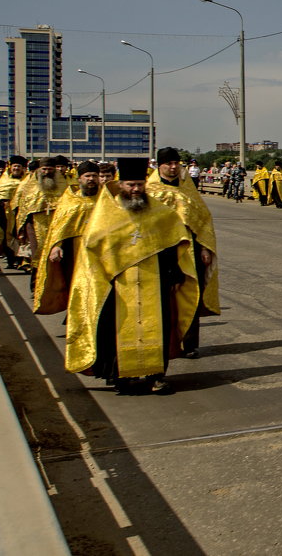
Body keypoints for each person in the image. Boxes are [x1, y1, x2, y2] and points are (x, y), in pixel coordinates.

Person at [63, 157, 200, 395]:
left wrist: (173, 272)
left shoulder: (159, 212)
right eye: (130, 185)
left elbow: (176, 240)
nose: (136, 190)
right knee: (115, 329)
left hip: (154, 282)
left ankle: (156, 376)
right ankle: (121, 376)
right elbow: (92, 248)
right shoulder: (106, 213)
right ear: (121, 185)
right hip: (118, 284)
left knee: (157, 329)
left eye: (139, 185)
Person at [146, 148, 219, 359]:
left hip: (190, 250)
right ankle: (164, 343)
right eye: (168, 163)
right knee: (164, 298)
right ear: (159, 165)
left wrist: (205, 247)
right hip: (162, 250)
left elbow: (203, 218)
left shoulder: (188, 190)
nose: (173, 167)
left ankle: (189, 344)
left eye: (176, 163)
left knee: (190, 295)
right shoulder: (150, 190)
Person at [33, 161, 104, 313]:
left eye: (94, 176)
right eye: (87, 176)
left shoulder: (106, 199)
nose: (91, 179)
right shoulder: (70, 200)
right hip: (75, 251)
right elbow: (59, 227)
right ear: (79, 179)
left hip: (100, 250)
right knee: (76, 283)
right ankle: (76, 313)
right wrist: (56, 246)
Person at [14, 157, 69, 274]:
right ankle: (36, 285)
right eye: (44, 169)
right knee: (38, 255)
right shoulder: (31, 186)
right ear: (39, 169)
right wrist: (22, 229)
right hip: (35, 225)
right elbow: (24, 208)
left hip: (57, 225)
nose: (47, 172)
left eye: (50, 169)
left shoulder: (63, 185)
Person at [0, 155, 28, 269]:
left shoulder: (27, 181)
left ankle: (21, 260)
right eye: (15, 166)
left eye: (19, 166)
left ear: (23, 168)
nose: (16, 168)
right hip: (6, 213)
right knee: (7, 236)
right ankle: (11, 259)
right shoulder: (4, 180)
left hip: (21, 212)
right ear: (10, 167)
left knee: (20, 236)